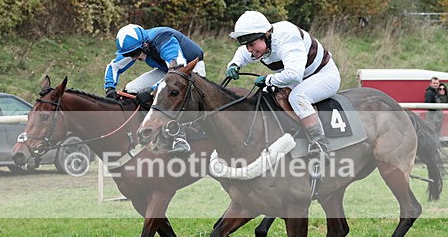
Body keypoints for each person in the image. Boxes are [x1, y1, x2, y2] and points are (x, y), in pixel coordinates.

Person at [225, 10, 341, 155]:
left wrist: (268, 79)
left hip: (323, 75)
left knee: (298, 97)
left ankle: (319, 144)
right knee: (266, 94)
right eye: (247, 45)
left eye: (252, 44)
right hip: (300, 78)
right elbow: (242, 53)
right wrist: (234, 64)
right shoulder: (260, 41)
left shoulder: (286, 37)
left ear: (266, 35)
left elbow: (294, 74)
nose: (250, 50)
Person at [104, 24, 205, 152]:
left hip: (188, 69)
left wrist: (152, 91)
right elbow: (113, 66)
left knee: (168, 95)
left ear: (145, 44)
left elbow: (178, 72)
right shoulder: (137, 45)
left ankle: (179, 138)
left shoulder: (163, 39)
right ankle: (146, 131)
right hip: (167, 70)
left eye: (134, 53)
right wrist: (110, 89)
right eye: (128, 54)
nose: (133, 57)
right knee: (129, 90)